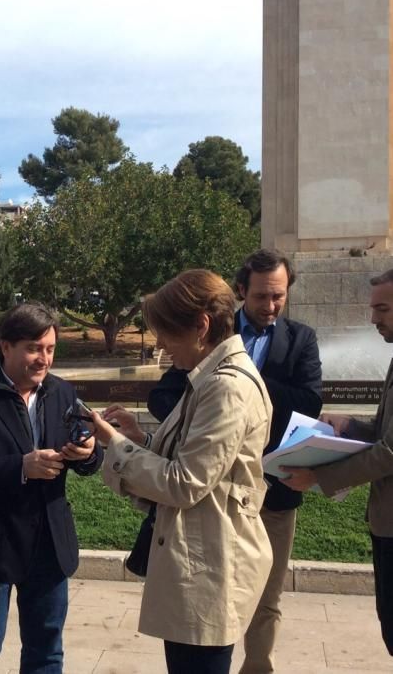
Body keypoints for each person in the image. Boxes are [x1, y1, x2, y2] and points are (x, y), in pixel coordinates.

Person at [144, 249, 322, 673]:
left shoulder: (267, 357)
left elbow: (309, 402)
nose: (271, 305)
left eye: (279, 296)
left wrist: (241, 387)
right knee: (210, 622)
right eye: (262, 296)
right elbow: (168, 393)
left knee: (261, 600)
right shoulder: (207, 359)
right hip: (211, 506)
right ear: (242, 292)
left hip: (271, 488)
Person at [94, 269, 273, 674]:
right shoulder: (208, 378)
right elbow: (193, 462)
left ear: (201, 326)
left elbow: (184, 483)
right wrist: (139, 438)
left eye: (166, 333)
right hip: (200, 560)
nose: (160, 344)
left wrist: (115, 446)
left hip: (209, 567)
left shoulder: (226, 387)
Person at [0, 302, 103, 674]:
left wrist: (88, 452)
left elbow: (89, 464)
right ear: (5, 346)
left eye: (50, 349)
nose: (43, 359)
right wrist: (20, 467)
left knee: (47, 651)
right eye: (34, 348)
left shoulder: (63, 393)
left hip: (50, 544)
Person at [282, 268, 393, 657]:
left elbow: (390, 453)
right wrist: (350, 425)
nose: (373, 319)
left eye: (383, 309)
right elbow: (386, 434)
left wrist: (320, 475)